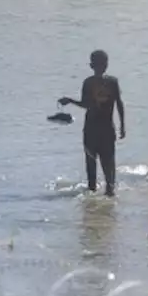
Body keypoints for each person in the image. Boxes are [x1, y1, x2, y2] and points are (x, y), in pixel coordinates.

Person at [58, 50, 125, 196]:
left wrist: (70, 100)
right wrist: (123, 126)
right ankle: (109, 192)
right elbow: (119, 104)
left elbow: (86, 105)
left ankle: (93, 193)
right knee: (108, 162)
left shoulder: (89, 82)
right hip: (106, 128)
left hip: (92, 128)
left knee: (92, 162)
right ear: (106, 65)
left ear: (91, 65)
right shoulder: (112, 82)